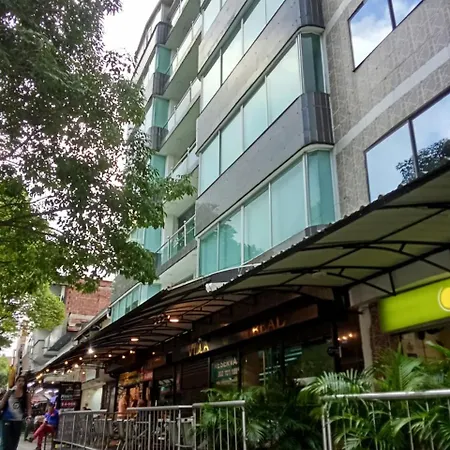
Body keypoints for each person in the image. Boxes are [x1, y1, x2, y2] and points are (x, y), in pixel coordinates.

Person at [0, 375, 32, 450]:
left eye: (23, 381)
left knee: (14, 443)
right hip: (6, 419)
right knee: (5, 443)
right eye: (19, 381)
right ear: (16, 382)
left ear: (25, 383)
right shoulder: (10, 392)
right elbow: (2, 404)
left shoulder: (26, 394)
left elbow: (29, 407)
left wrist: (29, 416)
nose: (21, 382)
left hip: (18, 421)